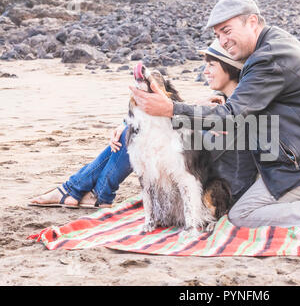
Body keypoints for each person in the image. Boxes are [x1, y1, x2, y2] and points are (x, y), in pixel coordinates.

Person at [129, 0, 300, 230]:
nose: (223, 41)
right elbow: (242, 107)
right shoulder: (271, 45)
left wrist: (172, 109)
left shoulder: (268, 57)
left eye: (227, 31)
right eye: (218, 35)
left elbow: (232, 116)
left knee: (244, 214)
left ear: (252, 22)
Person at [29, 39, 257, 208]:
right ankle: (88, 192)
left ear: (230, 67)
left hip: (209, 189)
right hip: (188, 176)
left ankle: (80, 191)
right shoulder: (221, 101)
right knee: (132, 132)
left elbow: (196, 137)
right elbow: (182, 115)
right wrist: (126, 121)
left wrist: (134, 125)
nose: (204, 71)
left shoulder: (236, 110)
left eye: (211, 65)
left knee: (139, 134)